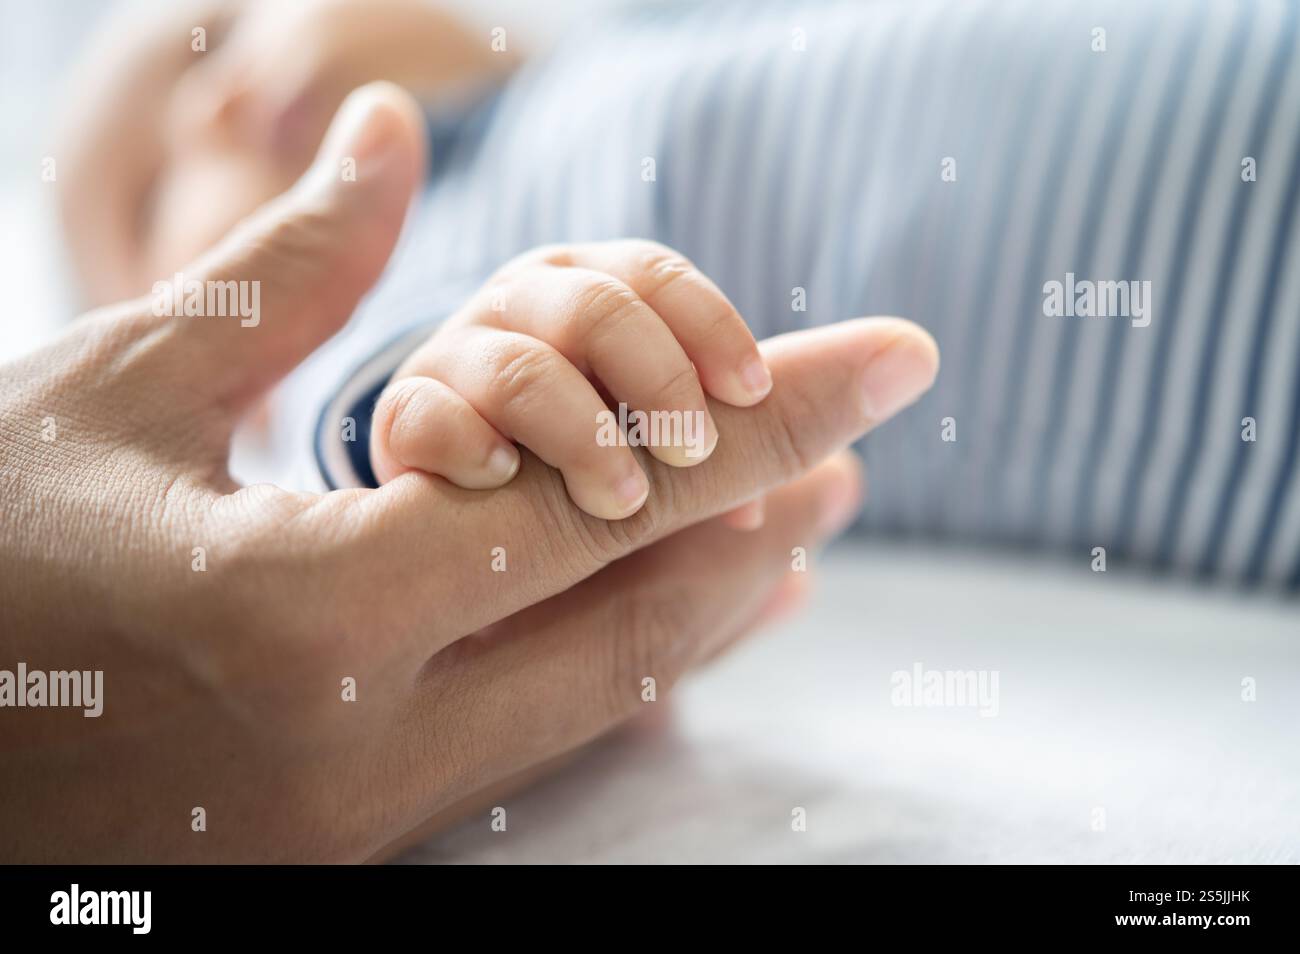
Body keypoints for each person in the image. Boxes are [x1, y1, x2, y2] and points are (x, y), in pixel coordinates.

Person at [0, 82, 936, 861]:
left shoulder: (596, 56)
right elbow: (382, 405)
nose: (219, 100)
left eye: (235, 23)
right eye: (158, 190)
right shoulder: (411, 248)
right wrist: (428, 404)